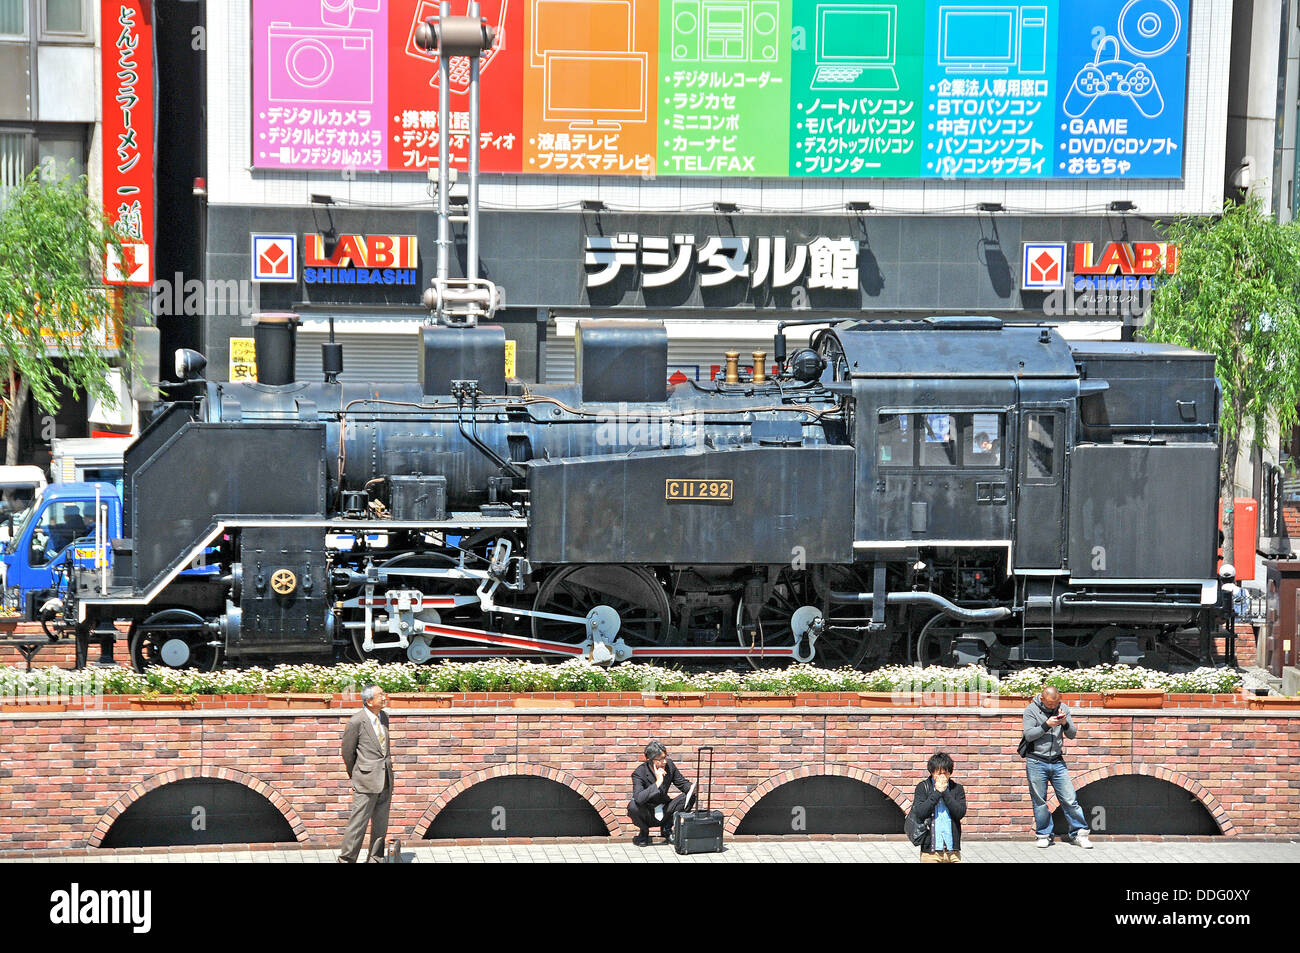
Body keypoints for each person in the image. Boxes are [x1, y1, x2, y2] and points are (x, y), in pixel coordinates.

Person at [1023, 685, 1092, 849]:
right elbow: (1028, 735)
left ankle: (1080, 833)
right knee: (1040, 801)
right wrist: (1047, 725)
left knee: (1070, 799)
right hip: (1036, 761)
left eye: (1056, 703)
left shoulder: (1063, 708)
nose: (1054, 707)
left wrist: (1065, 723)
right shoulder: (1031, 710)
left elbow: (1072, 734)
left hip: (1057, 761)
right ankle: (1044, 835)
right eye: (1050, 704)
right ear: (1042, 699)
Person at [338, 684, 394, 863]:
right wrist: (357, 776)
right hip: (365, 780)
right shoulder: (356, 721)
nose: (385, 697)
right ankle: (346, 860)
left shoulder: (383, 717)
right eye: (380, 695)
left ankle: (375, 858)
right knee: (357, 825)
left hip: (385, 779)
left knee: (380, 825)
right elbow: (348, 753)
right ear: (369, 701)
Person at [627, 741, 694, 846]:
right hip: (647, 812)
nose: (665, 761)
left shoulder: (669, 766)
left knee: (690, 796)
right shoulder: (639, 773)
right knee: (632, 806)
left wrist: (691, 788)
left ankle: (667, 828)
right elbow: (639, 798)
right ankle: (644, 832)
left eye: (665, 757)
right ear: (650, 760)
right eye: (661, 759)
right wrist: (658, 783)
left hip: (665, 808)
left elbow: (681, 783)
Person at [907, 752, 967, 863]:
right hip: (930, 851)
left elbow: (960, 813)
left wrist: (945, 793)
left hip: (952, 851)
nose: (943, 776)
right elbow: (920, 812)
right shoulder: (923, 787)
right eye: (939, 773)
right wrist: (937, 792)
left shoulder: (957, 789)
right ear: (932, 773)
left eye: (946, 773)